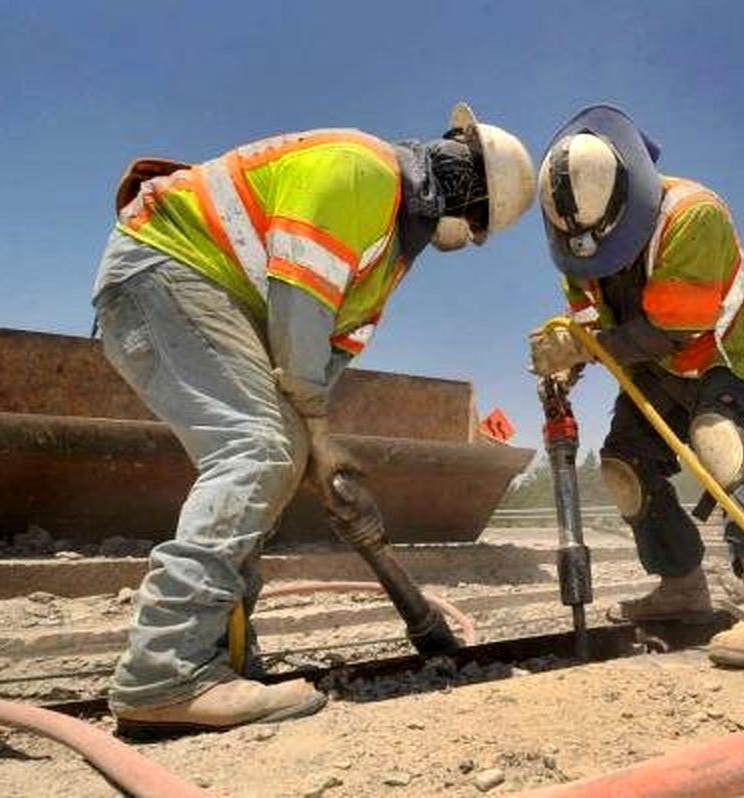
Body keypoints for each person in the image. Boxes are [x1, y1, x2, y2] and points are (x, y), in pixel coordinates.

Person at [92, 104, 535, 735]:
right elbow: (298, 308)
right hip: (166, 271)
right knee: (257, 450)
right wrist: (312, 437)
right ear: (468, 193)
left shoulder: (385, 254)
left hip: (203, 293)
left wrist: (320, 452)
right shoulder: (364, 171)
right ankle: (167, 674)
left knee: (277, 451)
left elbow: (320, 363)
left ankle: (220, 658)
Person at [528, 104, 744, 668]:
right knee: (624, 466)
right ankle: (682, 584)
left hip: (726, 348)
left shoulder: (694, 215)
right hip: (658, 363)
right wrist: (565, 361)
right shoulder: (578, 249)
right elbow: (591, 326)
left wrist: (582, 347)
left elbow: (675, 327)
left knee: (717, 436)